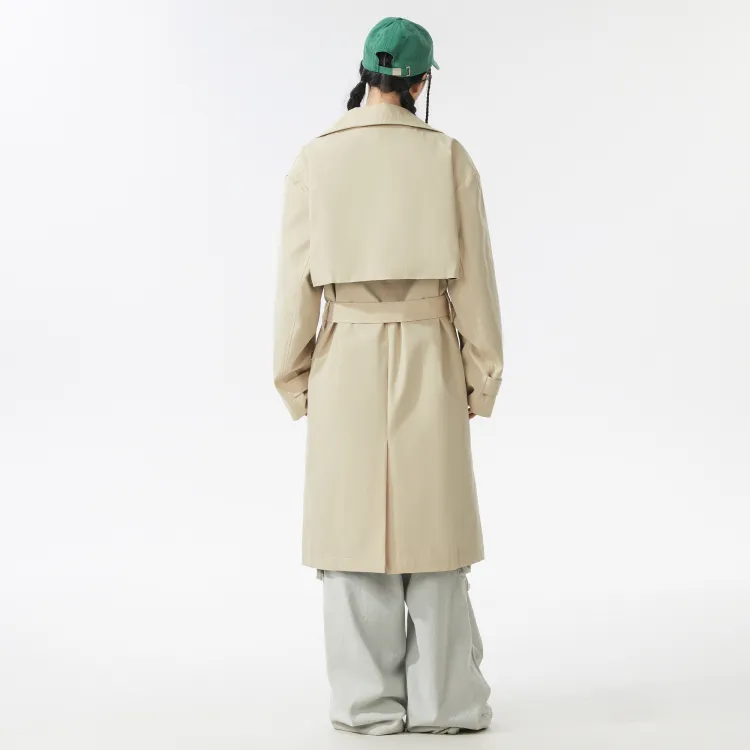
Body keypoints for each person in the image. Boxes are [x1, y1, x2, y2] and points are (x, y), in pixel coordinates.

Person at [273, 16, 504, 736]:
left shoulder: (316, 159)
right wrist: (483, 376)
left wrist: (294, 380)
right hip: (430, 346)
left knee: (352, 535)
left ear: (365, 74)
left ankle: (366, 705)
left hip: (344, 355)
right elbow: (475, 280)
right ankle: (445, 703)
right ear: (422, 82)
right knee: (435, 533)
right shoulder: (447, 157)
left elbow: (294, 287)